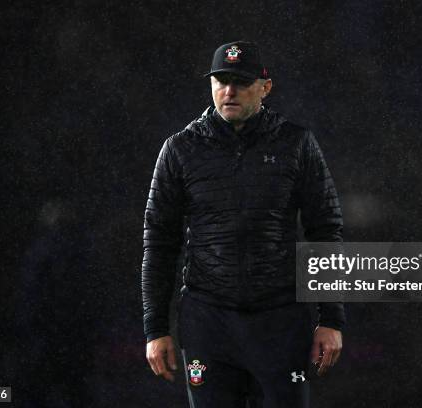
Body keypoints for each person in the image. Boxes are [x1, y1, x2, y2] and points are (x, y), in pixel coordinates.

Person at [141, 40, 345, 408]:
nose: (229, 91)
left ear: (265, 87)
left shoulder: (296, 143)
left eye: (241, 81)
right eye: (221, 81)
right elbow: (159, 243)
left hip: (280, 321)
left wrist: (331, 318)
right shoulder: (180, 150)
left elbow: (325, 230)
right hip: (209, 322)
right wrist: (155, 329)